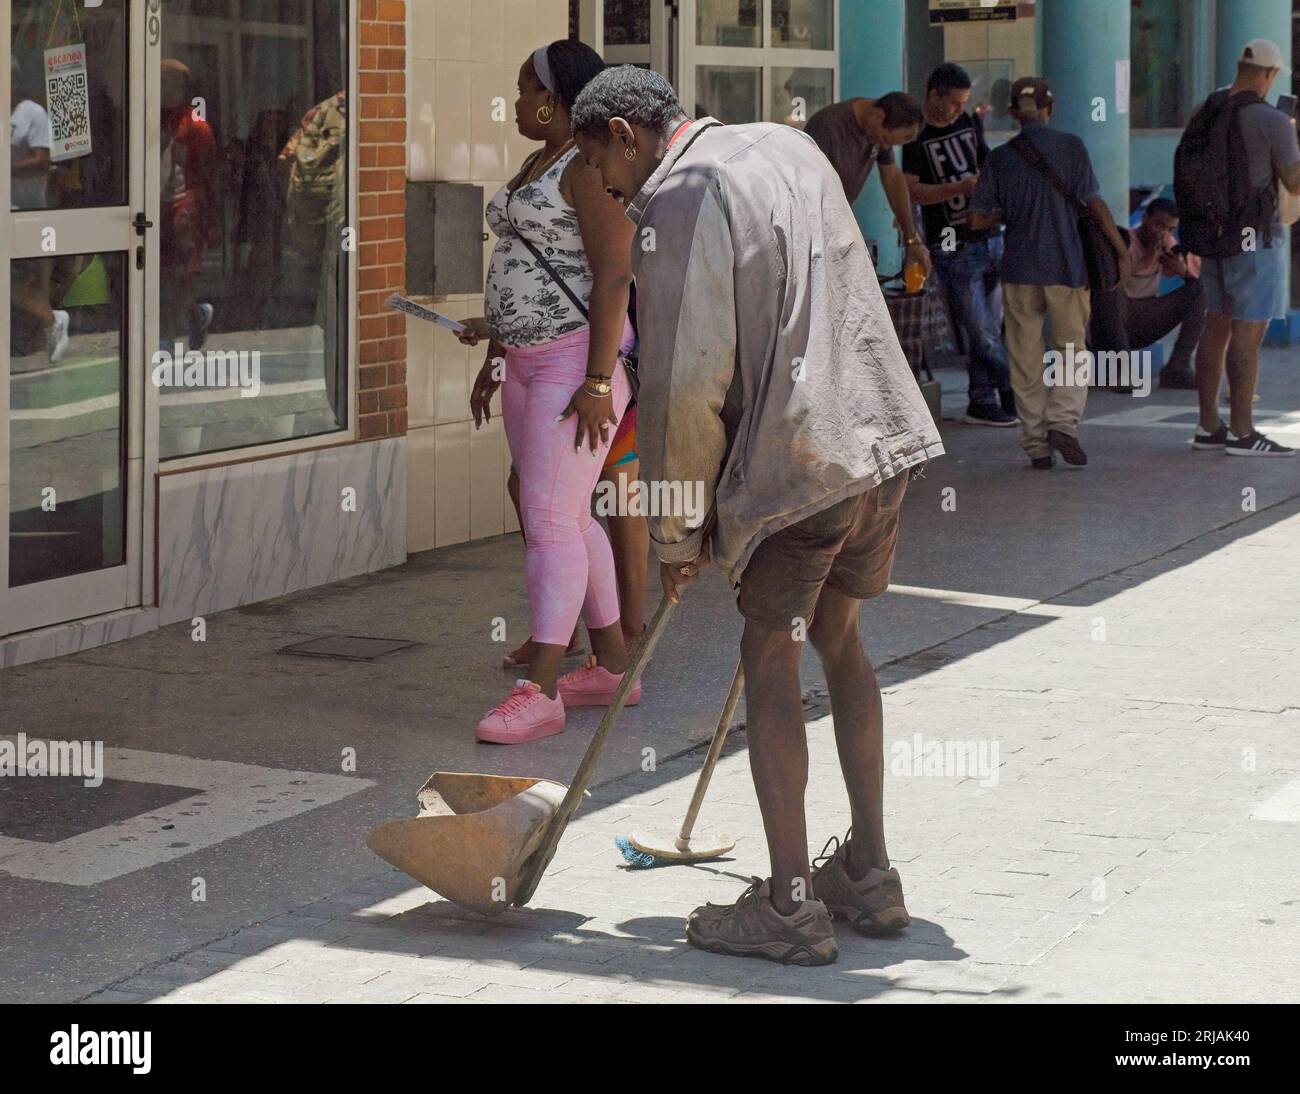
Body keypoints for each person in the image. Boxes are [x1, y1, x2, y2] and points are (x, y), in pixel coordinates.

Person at [573, 67, 944, 966]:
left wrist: (674, 531)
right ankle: (870, 870)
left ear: (626, 133)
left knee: (767, 655)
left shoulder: (679, 198)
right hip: (879, 436)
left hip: (797, 463)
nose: (611, 194)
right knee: (839, 639)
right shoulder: (786, 143)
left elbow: (683, 386)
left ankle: (788, 905)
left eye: (601, 170)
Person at [459, 40, 639, 745]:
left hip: (572, 370)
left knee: (549, 520)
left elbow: (614, 276)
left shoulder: (588, 168)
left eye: (522, 85)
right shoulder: (541, 161)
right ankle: (612, 665)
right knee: (568, 518)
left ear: (554, 96)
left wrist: (598, 381)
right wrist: (497, 347)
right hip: (527, 366)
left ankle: (540, 690)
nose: (514, 98)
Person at [968, 76, 1129, 470]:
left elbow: (977, 219)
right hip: (1068, 269)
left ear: (1011, 114)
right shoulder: (1072, 147)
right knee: (1071, 351)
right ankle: (1063, 424)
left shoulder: (1000, 159)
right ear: (1049, 109)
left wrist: (1012, 210)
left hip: (1020, 269)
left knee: (1024, 358)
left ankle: (1036, 444)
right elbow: (1093, 202)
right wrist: (1121, 249)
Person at [1180, 40, 1299, 456]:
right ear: (1269, 74)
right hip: (1256, 238)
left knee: (1217, 326)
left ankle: (1209, 425)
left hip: (1212, 236)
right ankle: (1243, 432)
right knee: (1248, 334)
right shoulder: (1272, 119)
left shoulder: (1207, 108)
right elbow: (1294, 183)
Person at [903, 63, 1016, 426]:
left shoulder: (968, 123)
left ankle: (982, 399)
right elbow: (911, 191)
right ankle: (1016, 388)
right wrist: (958, 188)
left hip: (988, 235)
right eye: (952, 103)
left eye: (962, 103)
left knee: (990, 326)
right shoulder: (915, 137)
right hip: (951, 243)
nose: (957, 110)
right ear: (933, 95)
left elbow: (987, 164)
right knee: (979, 329)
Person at [804, 92, 931, 275]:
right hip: (812, 230)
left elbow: (893, 177)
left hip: (837, 227)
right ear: (879, 116)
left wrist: (911, 240)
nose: (884, 146)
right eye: (886, 140)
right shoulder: (828, 127)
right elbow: (807, 191)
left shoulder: (879, 127)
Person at [1089, 198, 1205, 391]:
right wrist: (1148, 256)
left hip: (1143, 321)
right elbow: (1112, 281)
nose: (1163, 233)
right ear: (1145, 218)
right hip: (1108, 326)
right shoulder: (1124, 240)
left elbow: (1195, 281)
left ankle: (1178, 366)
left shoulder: (1168, 244)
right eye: (1158, 224)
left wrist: (1181, 270)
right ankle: (1122, 371)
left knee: (1200, 290)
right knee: (1111, 293)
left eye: (1169, 229)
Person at [159, 60, 218, 353]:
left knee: (178, 276)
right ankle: (196, 317)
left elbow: (207, 173)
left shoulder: (196, 125)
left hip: (186, 206)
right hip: (160, 205)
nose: (162, 87)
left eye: (168, 81)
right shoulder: (155, 118)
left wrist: (200, 212)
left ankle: (167, 335)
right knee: (164, 274)